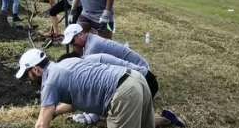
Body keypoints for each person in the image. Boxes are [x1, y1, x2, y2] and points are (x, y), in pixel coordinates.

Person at [15, 48, 155, 128]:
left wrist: (46, 115)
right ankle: (167, 119)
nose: (28, 79)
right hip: (135, 78)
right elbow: (73, 103)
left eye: (28, 74)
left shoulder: (49, 83)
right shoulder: (66, 63)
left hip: (123, 93)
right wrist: (55, 112)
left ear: (35, 69)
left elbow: (41, 125)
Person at [56, 52, 186, 127]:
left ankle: (164, 119)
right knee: (133, 118)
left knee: (121, 115)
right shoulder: (86, 66)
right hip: (138, 79)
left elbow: (101, 94)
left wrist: (91, 116)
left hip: (139, 82)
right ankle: (166, 118)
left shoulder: (90, 67)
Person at [62, 24, 158, 96]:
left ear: (81, 34)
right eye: (70, 43)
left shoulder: (93, 47)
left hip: (141, 73)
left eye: (73, 41)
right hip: (137, 70)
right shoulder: (90, 39)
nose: (73, 45)